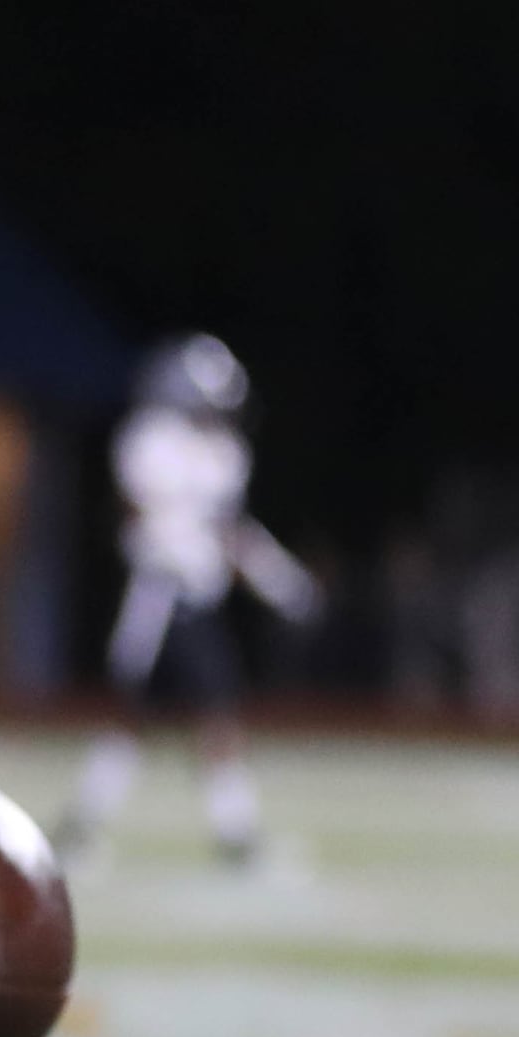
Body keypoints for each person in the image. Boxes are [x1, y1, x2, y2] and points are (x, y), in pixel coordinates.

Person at [60, 332, 321, 862]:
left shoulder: (224, 453)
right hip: (158, 597)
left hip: (194, 600)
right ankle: (233, 837)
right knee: (189, 713)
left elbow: (229, 531)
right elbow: (141, 519)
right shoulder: (150, 441)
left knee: (148, 717)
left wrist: (281, 581)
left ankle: (83, 828)